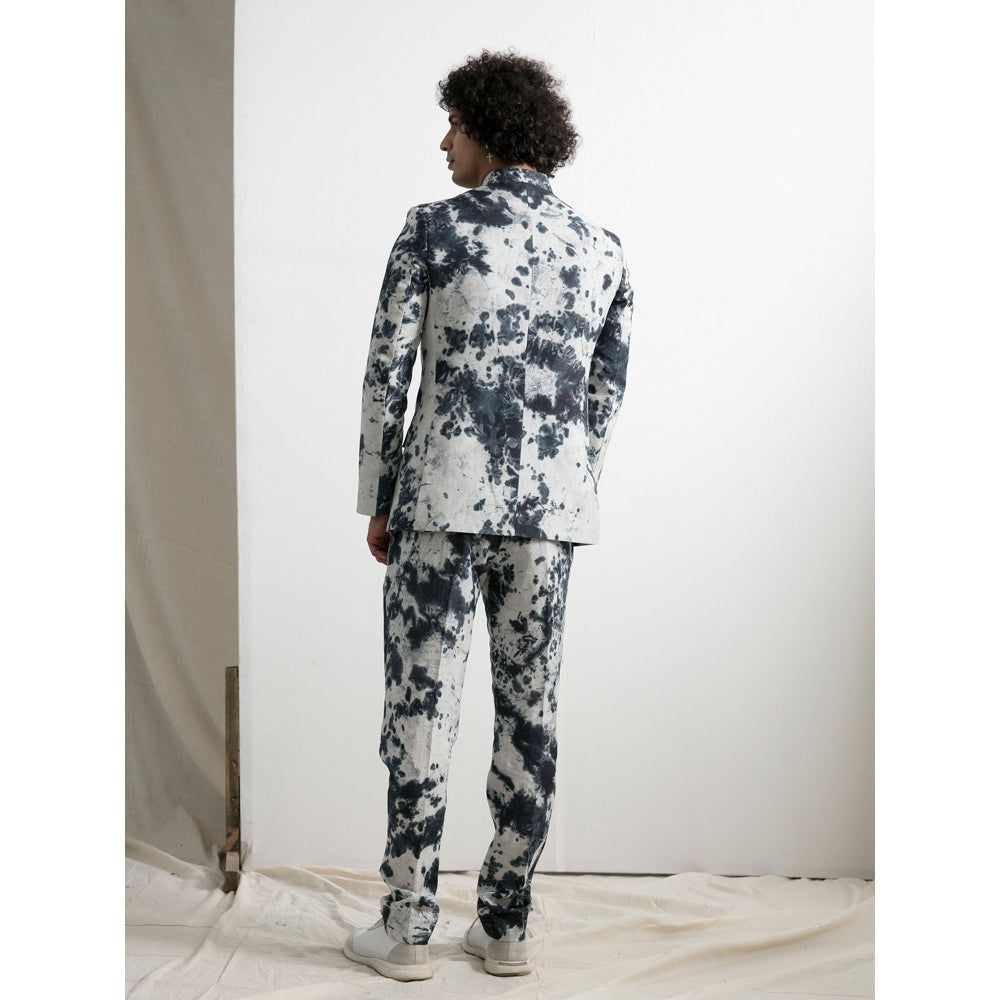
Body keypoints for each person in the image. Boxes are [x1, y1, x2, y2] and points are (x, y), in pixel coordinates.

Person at [344, 49, 633, 982]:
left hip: (438, 502)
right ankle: (505, 925)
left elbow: (386, 376)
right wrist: (566, 487)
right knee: (530, 711)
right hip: (549, 519)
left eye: (455, 126)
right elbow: (601, 400)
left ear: (489, 130)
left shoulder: (434, 229)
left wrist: (378, 497)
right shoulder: (602, 250)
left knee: (421, 705)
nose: (445, 143)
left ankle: (407, 928)